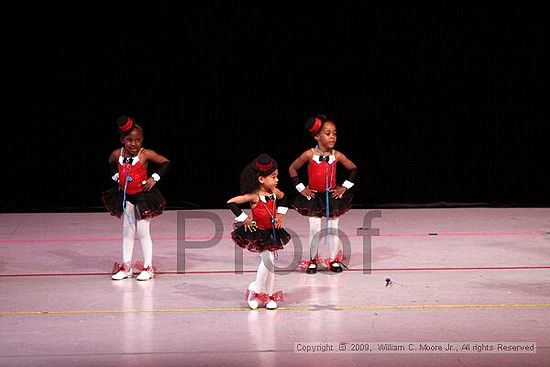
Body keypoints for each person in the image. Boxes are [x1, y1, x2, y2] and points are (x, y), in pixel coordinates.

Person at [102, 115, 171, 281]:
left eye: (138, 140)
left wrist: (154, 178)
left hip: (142, 198)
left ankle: (148, 267)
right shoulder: (116, 154)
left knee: (143, 232)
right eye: (129, 140)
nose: (134, 144)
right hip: (126, 197)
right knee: (127, 232)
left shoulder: (145, 154)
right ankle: (126, 267)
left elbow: (166, 162)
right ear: (122, 139)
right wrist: (116, 176)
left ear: (142, 140)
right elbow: (110, 161)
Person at [289, 114, 358, 274]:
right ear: (316, 136)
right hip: (314, 198)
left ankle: (333, 260)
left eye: (334, 133)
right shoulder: (309, 154)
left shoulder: (337, 155)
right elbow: (292, 168)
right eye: (328, 133)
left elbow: (354, 169)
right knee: (314, 229)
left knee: (333, 228)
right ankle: (313, 260)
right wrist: (301, 188)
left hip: (332, 198)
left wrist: (344, 187)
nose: (332, 137)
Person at [227, 154, 291, 310]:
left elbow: (285, 198)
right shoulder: (254, 196)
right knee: (268, 262)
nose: (277, 180)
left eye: (277, 177)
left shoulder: (275, 192)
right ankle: (255, 290)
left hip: (272, 232)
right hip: (259, 233)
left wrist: (281, 214)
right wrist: (244, 218)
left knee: (271, 264)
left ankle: (267, 295)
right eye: (273, 177)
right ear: (261, 179)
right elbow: (231, 203)